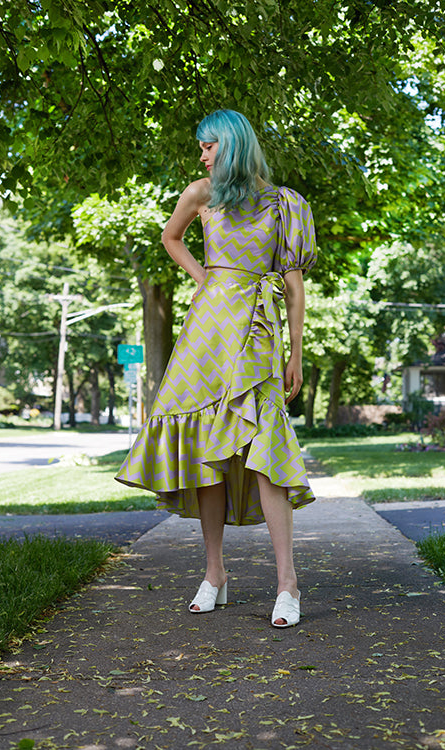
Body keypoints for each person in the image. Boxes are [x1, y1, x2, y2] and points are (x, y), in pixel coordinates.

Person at [116, 109, 317, 627]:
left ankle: (287, 584)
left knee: (264, 447)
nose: (202, 155)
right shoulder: (200, 194)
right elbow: (170, 237)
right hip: (206, 332)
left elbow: (293, 287)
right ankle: (215, 574)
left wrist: (296, 352)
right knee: (206, 443)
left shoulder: (283, 203)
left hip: (254, 331)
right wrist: (204, 278)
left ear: (232, 145)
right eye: (201, 148)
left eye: (209, 146)